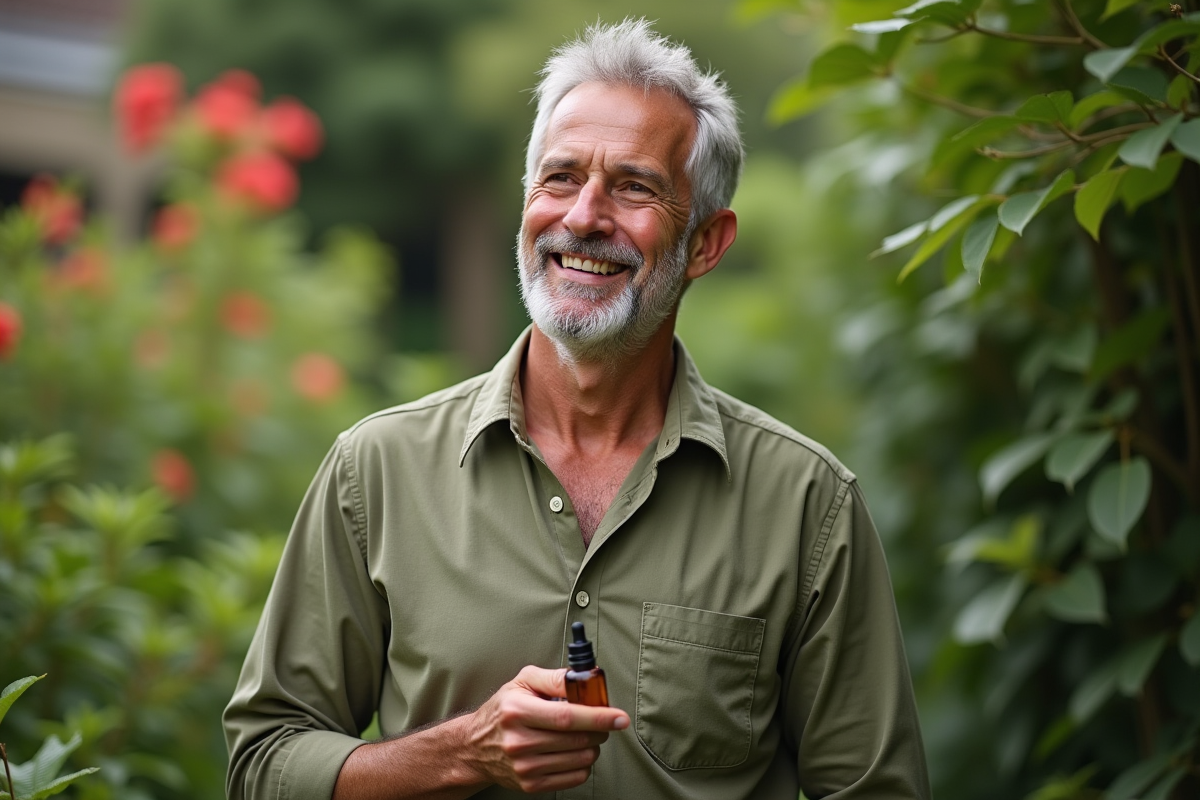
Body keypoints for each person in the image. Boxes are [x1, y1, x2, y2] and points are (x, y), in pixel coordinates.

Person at [224, 18, 931, 800]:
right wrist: (463, 753)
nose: (584, 215)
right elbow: (262, 765)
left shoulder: (806, 507)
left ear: (706, 243)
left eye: (634, 186)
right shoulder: (376, 471)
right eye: (559, 178)